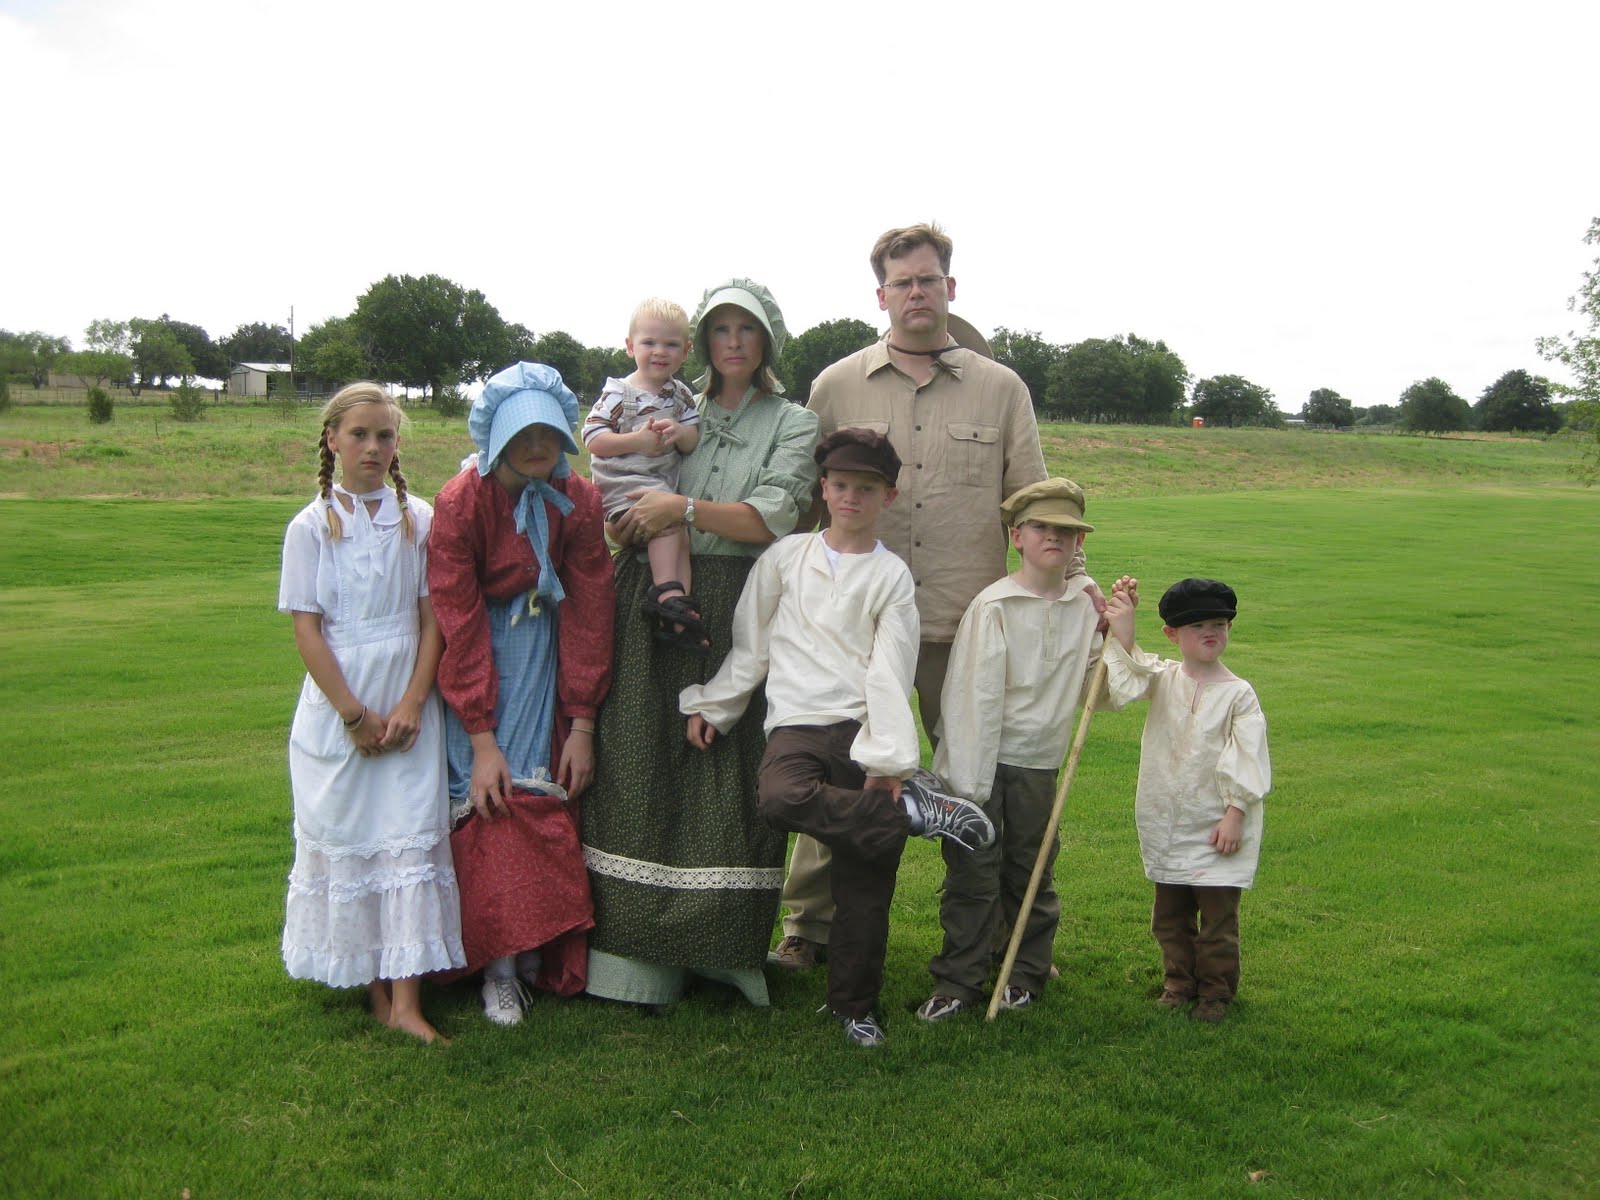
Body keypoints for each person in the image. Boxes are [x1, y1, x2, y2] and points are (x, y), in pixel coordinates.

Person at [773, 221, 1062, 971]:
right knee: (833, 773)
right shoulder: (836, 385)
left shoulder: (1002, 390)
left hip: (964, 629)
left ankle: (997, 933)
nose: (916, 293)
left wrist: (1075, 583)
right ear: (881, 296)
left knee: (977, 783)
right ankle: (810, 928)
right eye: (902, 282)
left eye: (928, 279)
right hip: (853, 633)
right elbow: (810, 501)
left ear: (950, 288)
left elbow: (1033, 503)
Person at [680, 429, 995, 1046]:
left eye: (867, 488)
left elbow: (890, 668)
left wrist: (889, 759)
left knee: (865, 885)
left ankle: (855, 1008)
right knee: (779, 799)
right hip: (797, 726)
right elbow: (754, 642)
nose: (852, 497)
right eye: (842, 485)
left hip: (861, 729)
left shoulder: (891, 576)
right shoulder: (786, 556)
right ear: (823, 488)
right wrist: (717, 706)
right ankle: (907, 812)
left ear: (889, 496)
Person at [581, 279, 819, 1009]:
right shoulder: (671, 404)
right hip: (656, 591)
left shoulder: (792, 421)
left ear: (768, 341)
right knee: (641, 756)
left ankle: (723, 947)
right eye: (722, 329)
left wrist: (680, 506)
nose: (734, 342)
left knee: (727, 767)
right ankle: (631, 951)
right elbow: (619, 487)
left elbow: (775, 516)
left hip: (743, 598)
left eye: (748, 330)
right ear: (704, 343)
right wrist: (625, 523)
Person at [428, 362, 616, 1027]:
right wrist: (479, 734)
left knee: (542, 794)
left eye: (549, 432)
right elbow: (456, 616)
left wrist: (583, 719)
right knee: (491, 796)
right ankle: (497, 969)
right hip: (481, 664)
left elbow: (591, 608)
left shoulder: (579, 500)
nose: (538, 445)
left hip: (546, 656)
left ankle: (537, 945)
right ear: (497, 437)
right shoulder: (462, 502)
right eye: (523, 433)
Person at [278, 382, 465, 1044]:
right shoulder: (310, 527)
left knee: (409, 837)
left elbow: (432, 616)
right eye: (359, 434)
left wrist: (413, 700)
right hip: (341, 704)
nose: (373, 448)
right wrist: (353, 716)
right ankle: (374, 986)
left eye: (385, 436)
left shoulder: (417, 519)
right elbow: (308, 631)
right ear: (332, 439)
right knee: (354, 839)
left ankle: (409, 1001)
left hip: (409, 696)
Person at [918, 479, 1103, 1022]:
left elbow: (1107, 690)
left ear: (1078, 543)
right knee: (973, 874)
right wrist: (967, 788)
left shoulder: (1085, 608)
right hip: (982, 759)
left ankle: (1023, 973)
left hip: (1040, 762)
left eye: (1067, 531)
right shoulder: (995, 605)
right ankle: (958, 980)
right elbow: (972, 700)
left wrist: (1123, 628)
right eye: (1043, 527)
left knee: (1032, 869)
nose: (1056, 537)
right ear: (1017, 537)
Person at [1102, 576, 1272, 1024]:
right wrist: (1124, 623)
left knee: (1217, 922)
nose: (1211, 633)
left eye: (1219, 623)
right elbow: (1126, 679)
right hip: (1167, 820)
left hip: (1217, 824)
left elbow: (1248, 759)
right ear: (1173, 634)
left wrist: (1235, 815)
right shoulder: (1163, 679)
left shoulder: (1239, 694)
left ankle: (1216, 992)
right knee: (1170, 917)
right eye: (1198, 626)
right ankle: (1179, 983)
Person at [582, 298, 706, 652]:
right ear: (630, 346)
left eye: (670, 344)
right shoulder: (619, 393)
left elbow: (692, 436)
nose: (659, 352)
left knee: (679, 530)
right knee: (667, 526)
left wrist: (678, 434)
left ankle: (679, 605)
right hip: (623, 489)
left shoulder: (681, 396)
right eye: (649, 342)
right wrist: (636, 439)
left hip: (659, 487)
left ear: (686, 351)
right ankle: (666, 592)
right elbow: (592, 438)